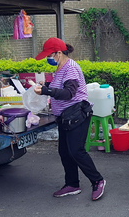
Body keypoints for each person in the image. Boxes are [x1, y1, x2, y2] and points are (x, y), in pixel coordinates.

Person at [34, 37, 106, 200]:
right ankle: (72, 184)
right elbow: (59, 88)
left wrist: (46, 91)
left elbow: (69, 93)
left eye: (49, 55)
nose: (48, 59)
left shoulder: (70, 68)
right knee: (65, 152)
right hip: (65, 117)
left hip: (76, 115)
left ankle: (97, 180)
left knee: (76, 151)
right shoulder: (60, 67)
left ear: (58, 53)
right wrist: (46, 86)